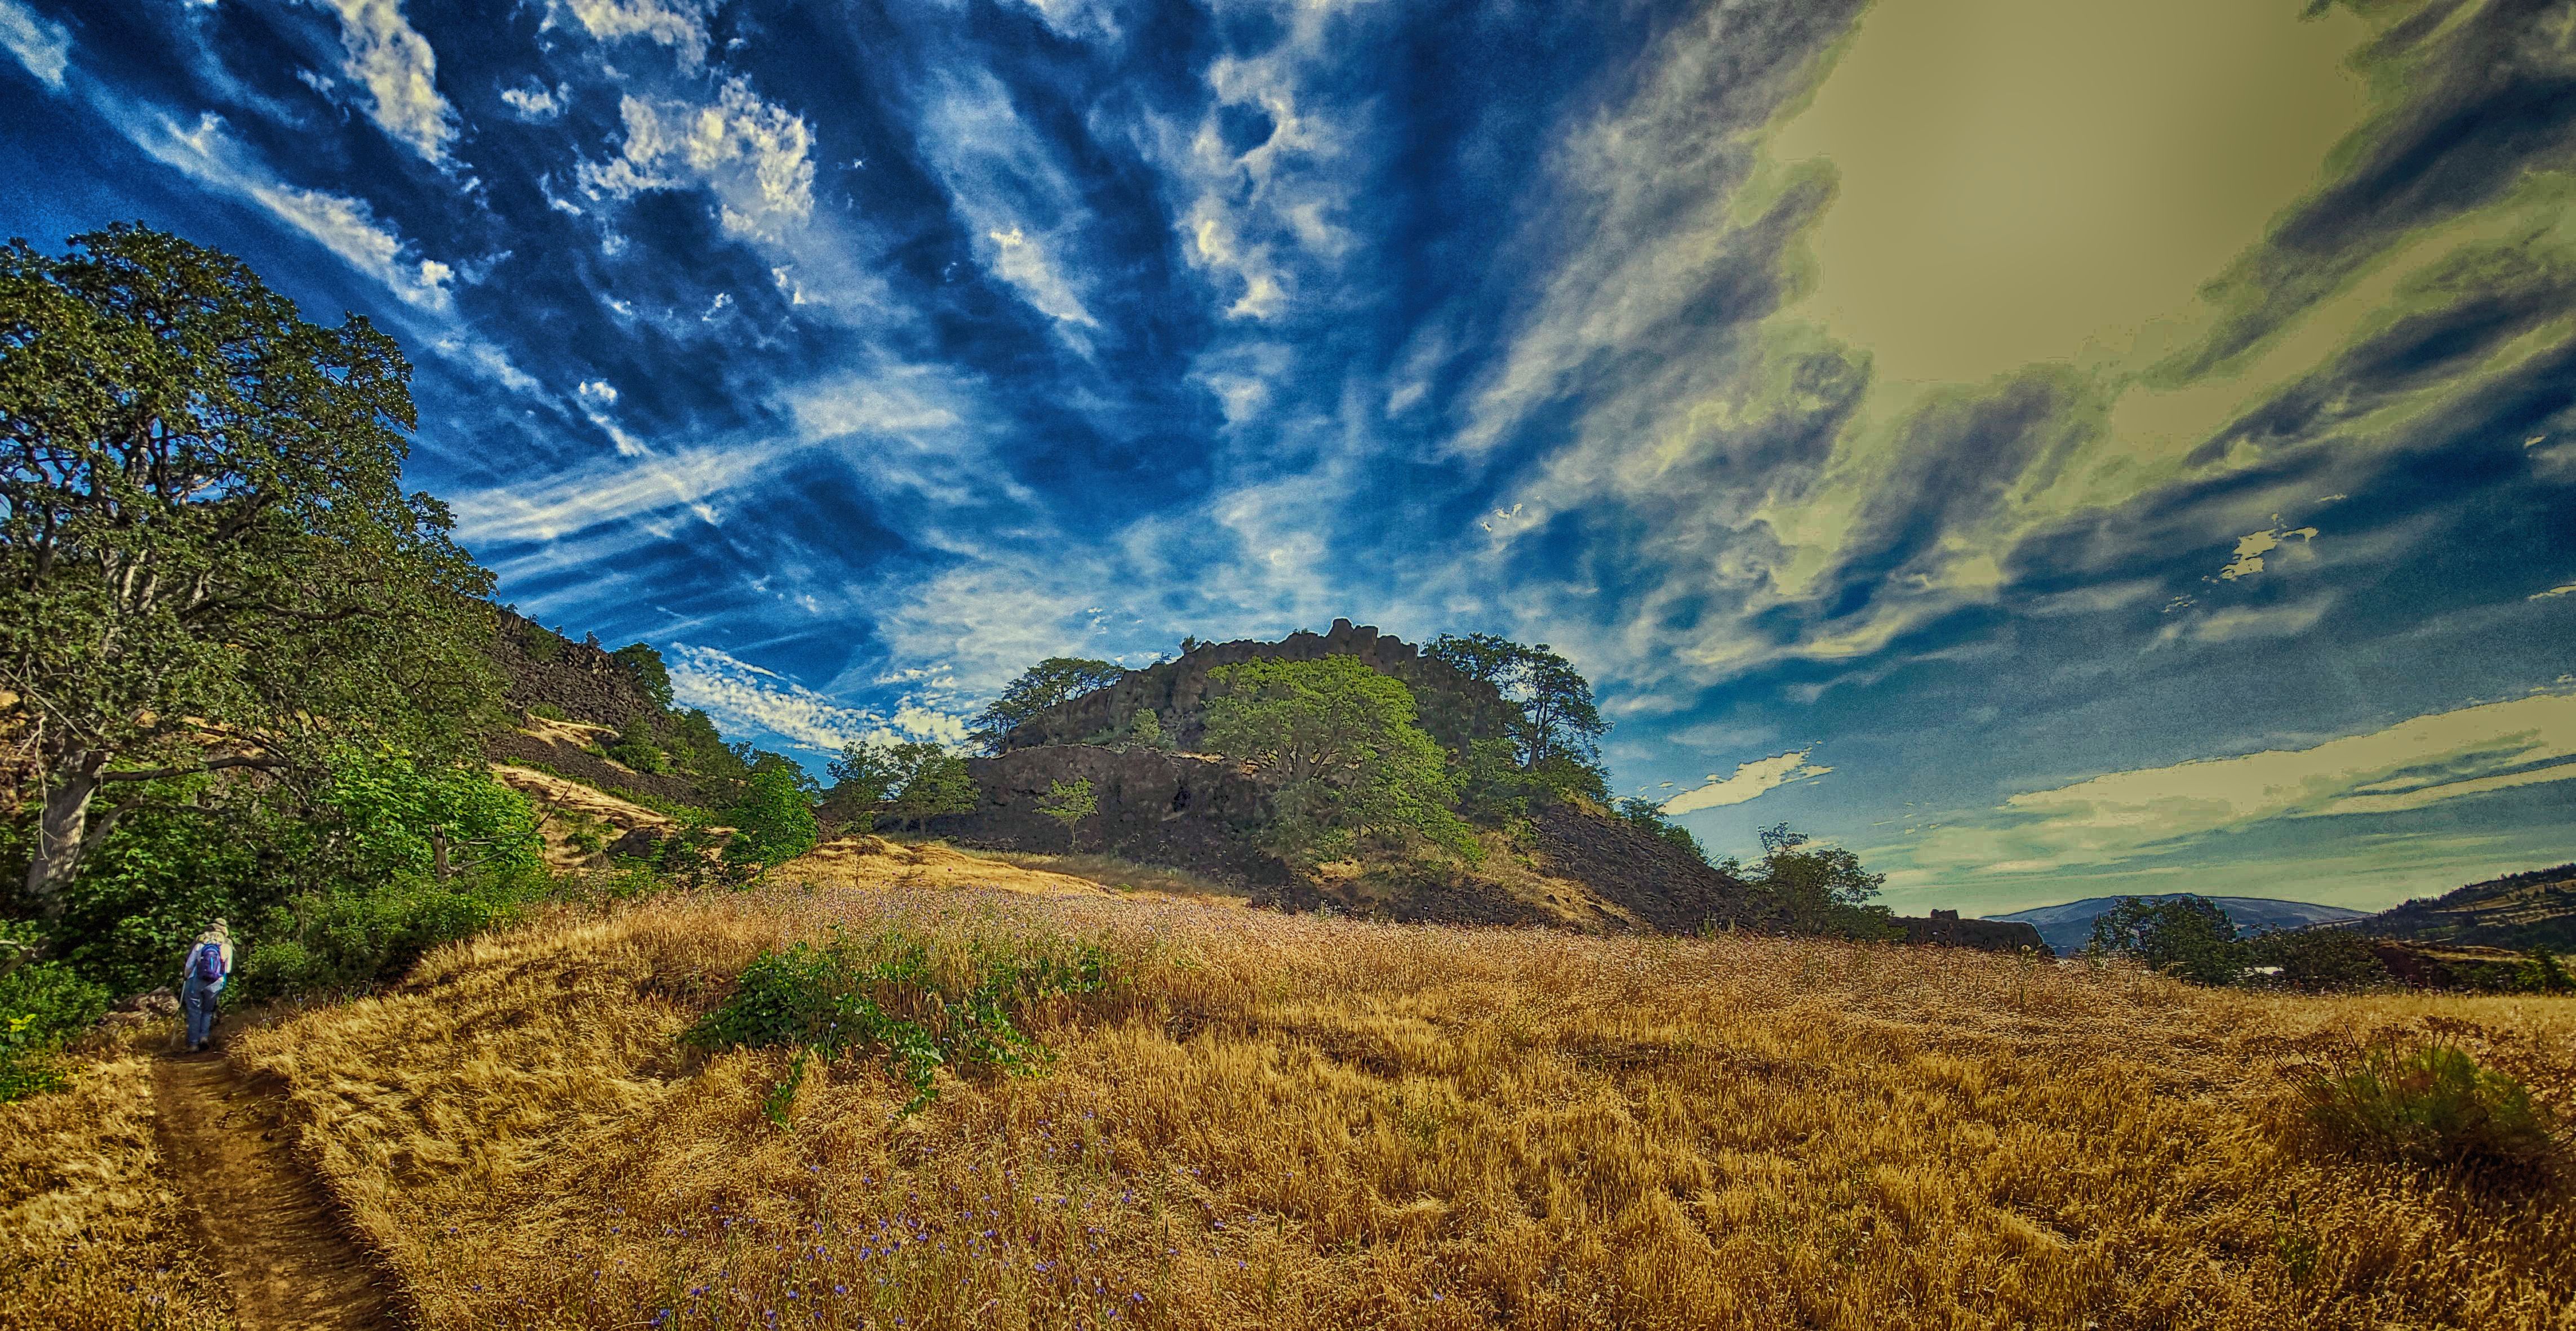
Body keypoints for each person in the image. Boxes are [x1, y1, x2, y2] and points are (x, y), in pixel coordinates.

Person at [178, 919, 233, 1052]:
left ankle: (193, 1044)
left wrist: (186, 977)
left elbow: (189, 966)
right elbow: (227, 970)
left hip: (196, 981)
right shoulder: (227, 947)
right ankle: (204, 1037)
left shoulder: (200, 946)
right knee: (208, 1011)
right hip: (215, 984)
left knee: (194, 1012)